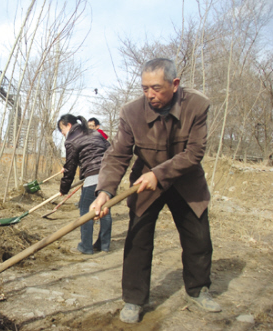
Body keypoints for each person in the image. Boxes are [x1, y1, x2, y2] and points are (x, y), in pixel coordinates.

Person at [90, 58, 221, 324]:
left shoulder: (196, 105)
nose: (150, 95)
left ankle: (197, 290)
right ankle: (134, 299)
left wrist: (159, 174)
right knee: (137, 240)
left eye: (157, 88)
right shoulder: (131, 112)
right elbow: (117, 156)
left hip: (186, 180)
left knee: (198, 238)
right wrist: (105, 191)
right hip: (145, 182)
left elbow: (195, 152)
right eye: (145, 88)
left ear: (175, 84)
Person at [58, 114, 113, 255]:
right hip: (109, 175)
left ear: (68, 125)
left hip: (93, 177)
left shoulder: (71, 140)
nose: (63, 134)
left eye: (62, 130)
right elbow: (110, 149)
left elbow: (70, 167)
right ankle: (104, 244)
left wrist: (63, 189)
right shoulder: (94, 133)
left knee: (86, 210)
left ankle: (86, 246)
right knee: (104, 208)